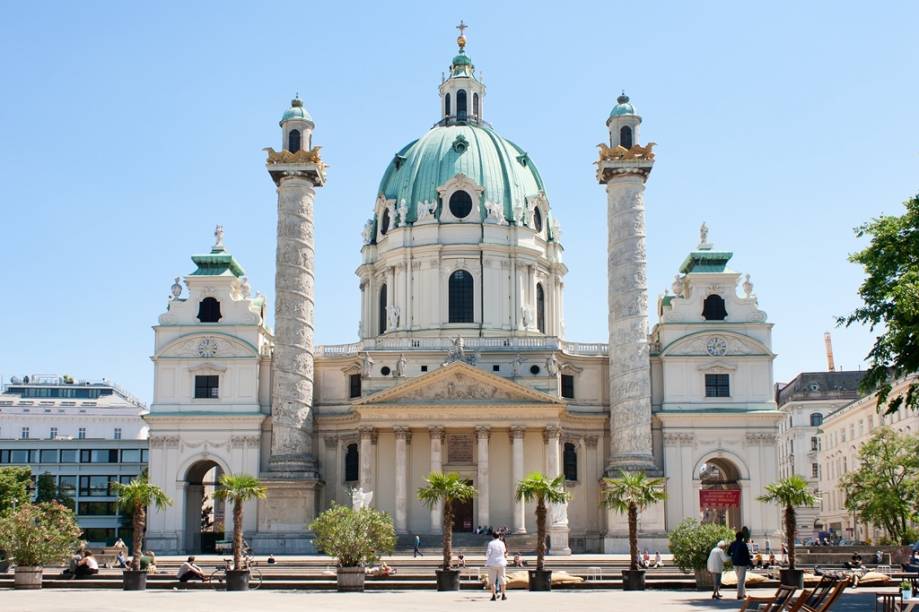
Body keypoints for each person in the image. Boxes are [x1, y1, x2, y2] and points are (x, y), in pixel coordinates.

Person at [728, 530, 752, 599]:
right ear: (742, 537)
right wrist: (750, 564)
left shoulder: (732, 544)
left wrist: (733, 555)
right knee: (741, 579)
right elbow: (747, 555)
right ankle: (739, 595)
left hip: (735, 563)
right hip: (742, 564)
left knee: (740, 579)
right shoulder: (743, 544)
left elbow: (728, 553)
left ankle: (743, 593)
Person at [484, 530, 507, 602]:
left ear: (492, 536)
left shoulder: (490, 543)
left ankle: (493, 595)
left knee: (492, 581)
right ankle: (503, 595)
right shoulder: (502, 543)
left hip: (492, 563)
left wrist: (487, 558)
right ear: (499, 536)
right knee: (502, 579)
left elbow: (488, 553)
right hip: (501, 563)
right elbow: (504, 551)